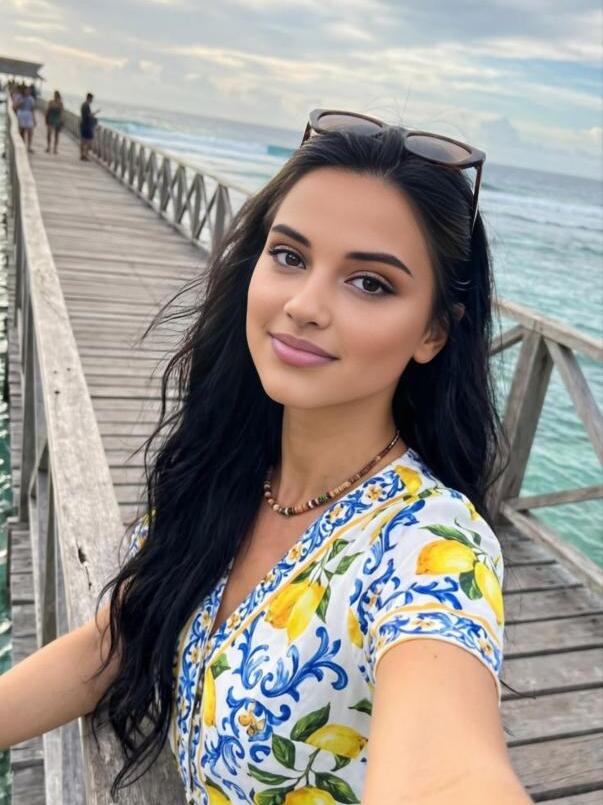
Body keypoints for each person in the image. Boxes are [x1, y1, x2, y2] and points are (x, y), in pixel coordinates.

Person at [0, 110, 533, 804]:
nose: (305, 305)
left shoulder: (431, 547)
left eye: (370, 282)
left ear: (433, 331)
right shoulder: (229, 469)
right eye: (289, 256)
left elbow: (449, 771)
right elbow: (120, 639)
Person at [15, 84, 35, 153]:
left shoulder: (31, 99)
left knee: (30, 132)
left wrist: (34, 119)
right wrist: (20, 102)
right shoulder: (19, 97)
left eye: (29, 90)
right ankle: (22, 145)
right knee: (22, 132)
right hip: (21, 115)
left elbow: (32, 109)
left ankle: (29, 147)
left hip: (29, 116)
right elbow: (15, 106)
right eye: (27, 90)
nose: (28, 92)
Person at [80, 91, 97, 160]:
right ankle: (85, 155)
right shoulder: (86, 105)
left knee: (83, 140)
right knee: (88, 141)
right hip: (86, 125)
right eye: (92, 99)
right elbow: (88, 115)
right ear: (89, 98)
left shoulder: (83, 104)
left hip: (83, 124)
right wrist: (95, 113)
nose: (92, 100)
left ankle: (82, 155)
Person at [45, 90, 64, 154]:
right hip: (51, 119)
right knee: (49, 133)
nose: (55, 97)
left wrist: (62, 121)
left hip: (57, 120)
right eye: (54, 95)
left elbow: (61, 113)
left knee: (56, 135)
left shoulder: (60, 104)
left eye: (56, 95)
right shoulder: (51, 102)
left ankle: (55, 148)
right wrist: (46, 118)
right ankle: (48, 147)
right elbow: (47, 110)